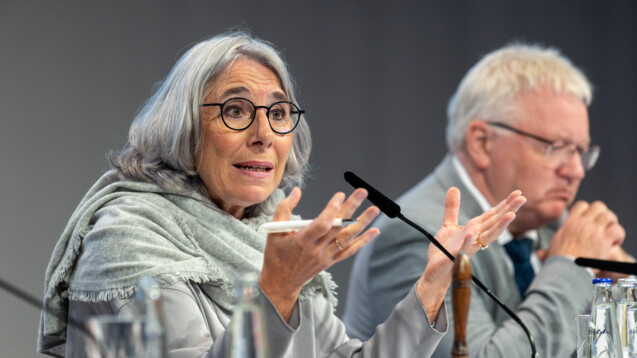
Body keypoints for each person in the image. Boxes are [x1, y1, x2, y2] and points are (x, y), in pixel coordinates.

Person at [37, 32, 525, 358]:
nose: (264, 134)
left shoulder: (266, 236)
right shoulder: (129, 240)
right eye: (235, 111)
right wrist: (276, 291)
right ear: (184, 129)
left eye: (277, 113)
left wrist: (433, 285)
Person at [344, 43, 630, 357]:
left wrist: (626, 289)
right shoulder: (419, 234)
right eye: (556, 146)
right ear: (482, 143)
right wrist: (570, 270)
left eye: (581, 151)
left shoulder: (555, 228)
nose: (575, 171)